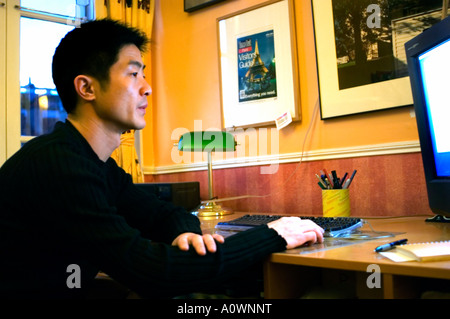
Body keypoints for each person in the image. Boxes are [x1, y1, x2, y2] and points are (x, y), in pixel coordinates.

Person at [0, 19, 324, 299]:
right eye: (133, 74)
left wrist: (184, 233)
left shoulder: (94, 163)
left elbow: (163, 214)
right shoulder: (60, 166)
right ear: (87, 88)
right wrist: (274, 234)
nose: (147, 88)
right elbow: (153, 273)